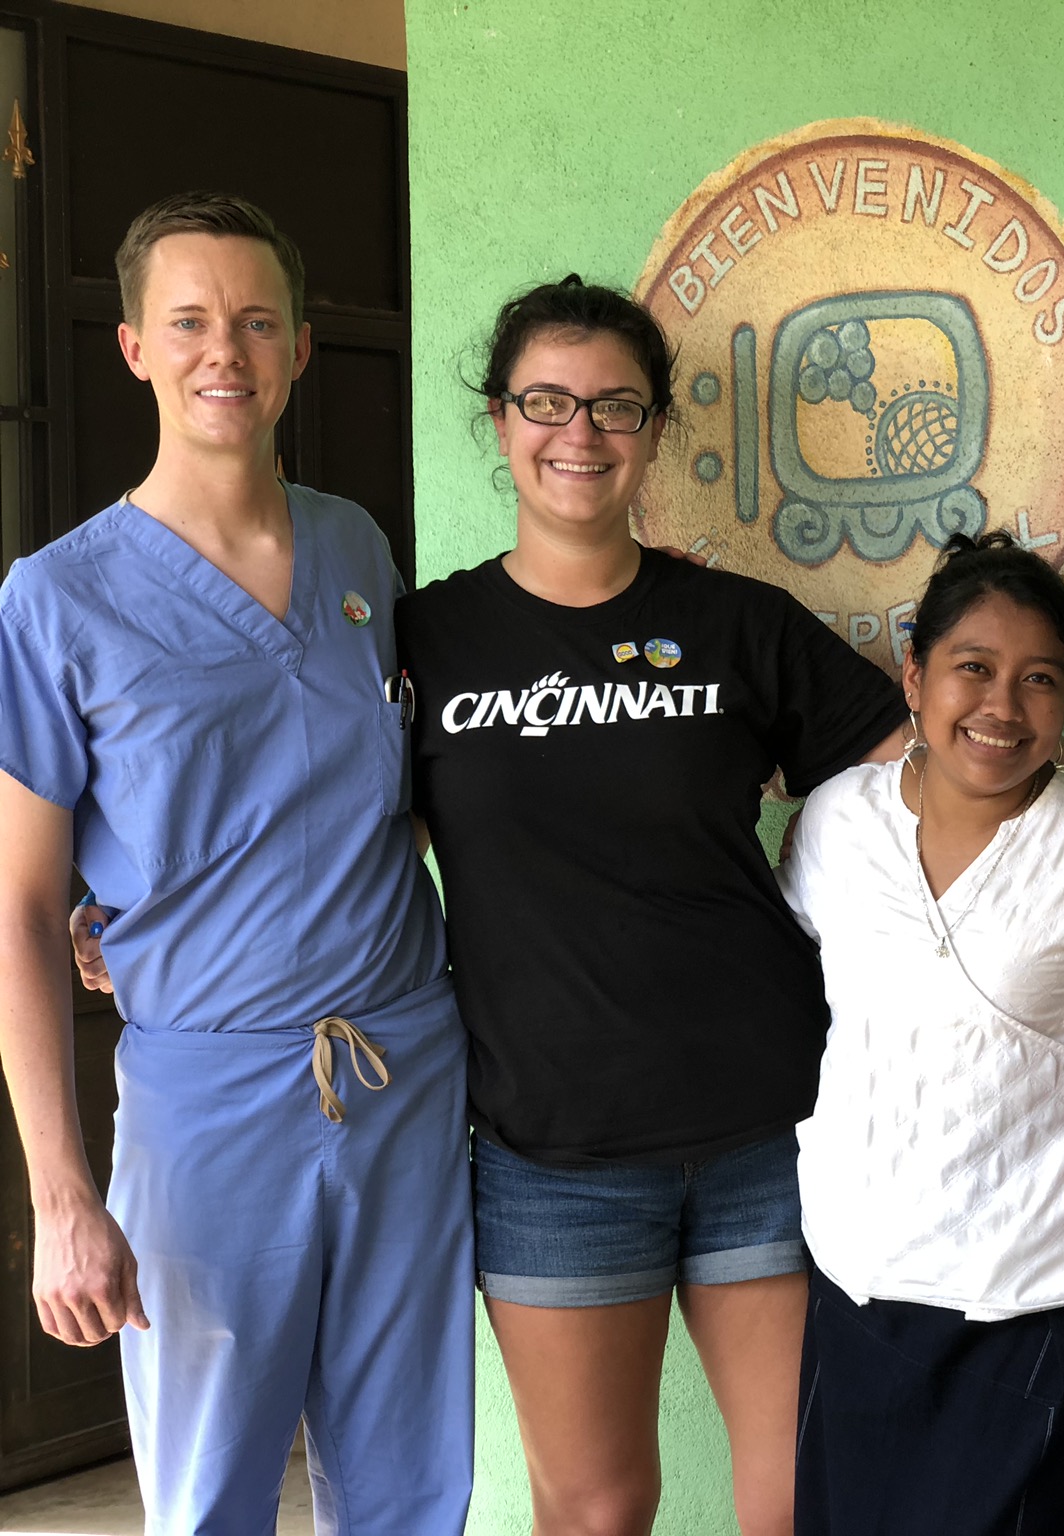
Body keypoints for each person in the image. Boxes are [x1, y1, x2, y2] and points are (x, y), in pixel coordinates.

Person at [397, 276, 907, 1536]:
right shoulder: (428, 640)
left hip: (770, 1126)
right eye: (546, 402)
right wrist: (138, 914)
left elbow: (934, 774)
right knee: (596, 1508)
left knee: (802, 1494)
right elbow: (327, 839)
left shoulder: (736, 623)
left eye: (615, 405)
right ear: (500, 420)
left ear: (656, 428)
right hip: (550, 1148)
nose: (580, 432)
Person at [0, 192, 472, 1529]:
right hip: (207, 1098)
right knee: (210, 1485)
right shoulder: (57, 599)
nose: (228, 350)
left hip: (400, 1069)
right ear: (136, 346)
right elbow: (23, 910)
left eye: (258, 321)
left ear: (302, 348)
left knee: (412, 1480)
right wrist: (60, 1196)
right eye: (193, 321)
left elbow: (392, 800)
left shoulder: (355, 548)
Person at [779, 530, 1064, 1535]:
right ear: (913, 674)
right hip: (865, 1286)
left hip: (1055, 1298)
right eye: (972, 670)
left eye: (1039, 680)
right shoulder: (836, 823)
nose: (1000, 706)